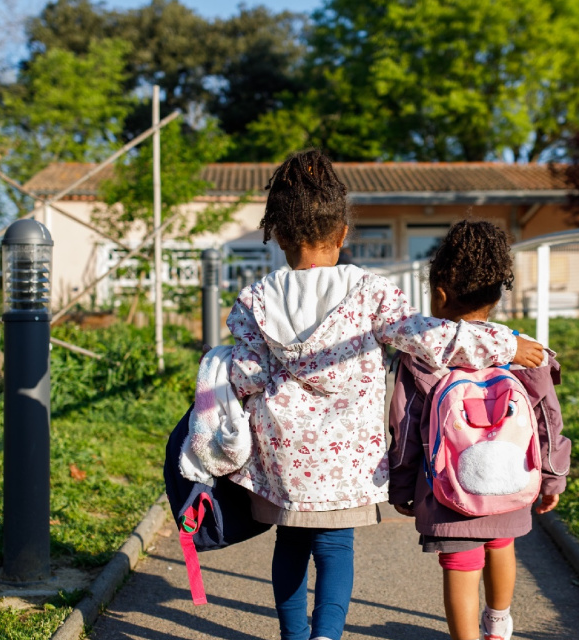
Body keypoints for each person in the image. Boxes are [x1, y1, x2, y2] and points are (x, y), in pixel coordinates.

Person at [225, 151, 546, 640]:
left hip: (283, 456)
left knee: (289, 546)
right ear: (343, 235)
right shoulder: (369, 292)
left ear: (280, 236)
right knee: (335, 549)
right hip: (346, 462)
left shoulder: (254, 300)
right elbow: (430, 338)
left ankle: (293, 636)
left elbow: (245, 377)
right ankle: (326, 636)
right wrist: (505, 345)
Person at [387, 219, 571, 640]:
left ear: (439, 294)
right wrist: (552, 476)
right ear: (497, 295)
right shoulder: (523, 350)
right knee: (502, 545)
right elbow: (547, 418)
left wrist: (401, 486)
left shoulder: (423, 356)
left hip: (446, 487)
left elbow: (405, 423)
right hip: (511, 479)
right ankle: (498, 624)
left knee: (460, 564)